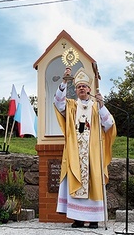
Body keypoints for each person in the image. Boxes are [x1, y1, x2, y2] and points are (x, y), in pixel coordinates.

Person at [53, 67, 117, 229]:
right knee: (75, 179)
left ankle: (94, 219)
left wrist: (102, 105)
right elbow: (58, 102)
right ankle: (78, 219)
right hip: (75, 150)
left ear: (89, 89)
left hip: (92, 151)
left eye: (84, 86)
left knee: (93, 181)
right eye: (79, 86)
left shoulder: (96, 106)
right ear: (75, 90)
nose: (82, 88)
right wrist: (64, 81)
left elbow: (109, 124)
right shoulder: (71, 106)